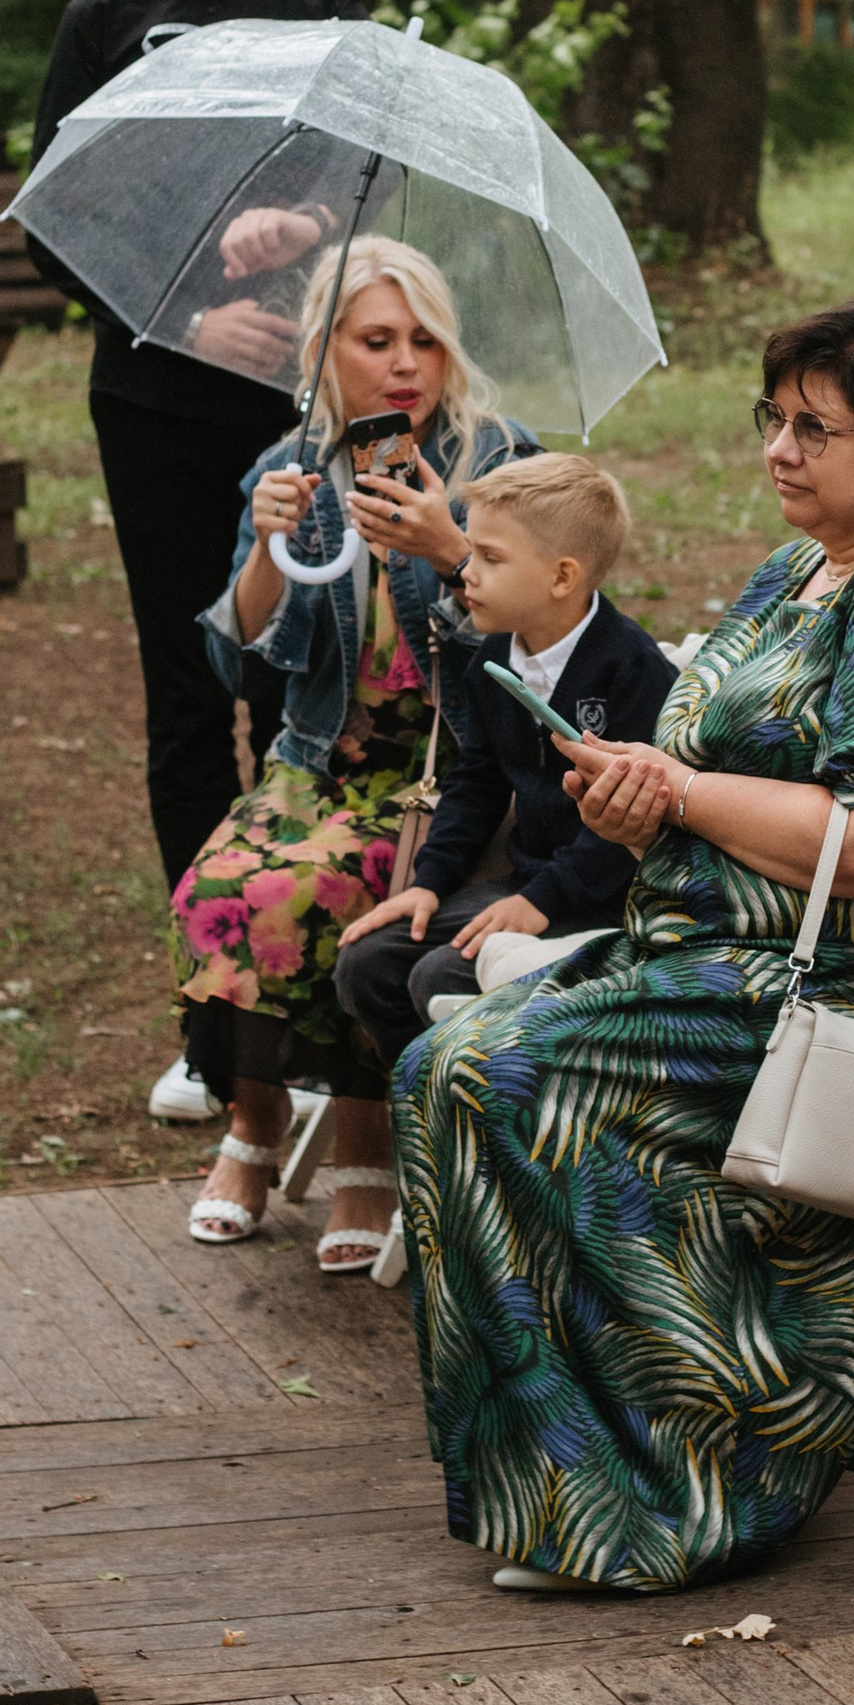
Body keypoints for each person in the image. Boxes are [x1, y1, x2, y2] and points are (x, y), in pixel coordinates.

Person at [389, 300, 854, 1593]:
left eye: (815, 426)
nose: (780, 448)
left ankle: (667, 1490)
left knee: (487, 1075)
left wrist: (676, 796)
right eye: (774, 419)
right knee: (442, 1065)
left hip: (844, 987)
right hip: (713, 951)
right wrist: (634, 801)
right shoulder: (791, 574)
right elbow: (708, 783)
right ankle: (581, 1482)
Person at [26, 0, 367, 907]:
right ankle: (208, 995)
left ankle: (290, 978)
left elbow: (370, 172)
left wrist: (307, 220)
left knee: (297, 678)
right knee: (185, 692)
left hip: (297, 404)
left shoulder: (326, 7)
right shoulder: (104, 19)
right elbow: (55, 222)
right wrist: (184, 321)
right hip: (152, 404)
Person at [173, 238, 534, 1270]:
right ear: (325, 351)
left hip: (442, 777)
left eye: (424, 338)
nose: (405, 363)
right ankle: (255, 1123)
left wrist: (448, 550)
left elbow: (538, 638)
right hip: (315, 764)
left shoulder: (498, 459)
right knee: (223, 890)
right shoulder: (292, 469)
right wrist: (261, 545)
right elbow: (237, 659)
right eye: (376, 340)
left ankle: (366, 1142)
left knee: (335, 891)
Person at [333, 454, 675, 1078]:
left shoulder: (633, 671)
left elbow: (639, 820)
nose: (467, 572)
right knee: (369, 962)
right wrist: (427, 883)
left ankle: (489, 1111)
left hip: (608, 901)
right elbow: (477, 783)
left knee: (438, 977)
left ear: (562, 576)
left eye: (489, 558)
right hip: (529, 886)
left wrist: (543, 901)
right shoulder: (494, 657)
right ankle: (427, 1107)